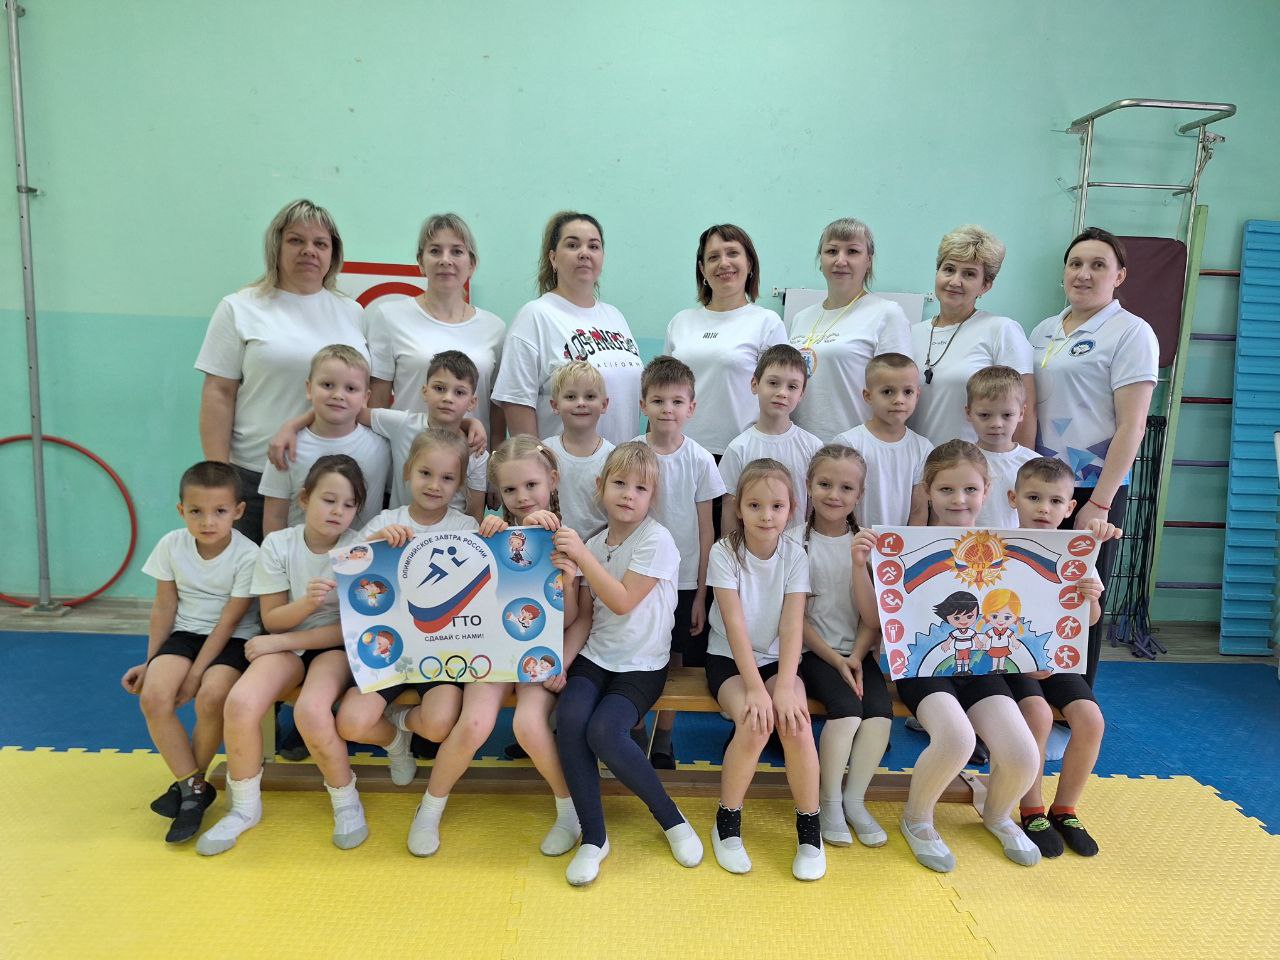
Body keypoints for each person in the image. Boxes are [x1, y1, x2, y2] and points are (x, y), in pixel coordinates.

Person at [404, 437, 580, 858]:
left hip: (540, 653)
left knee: (529, 725)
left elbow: (572, 619)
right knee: (474, 724)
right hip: (494, 649)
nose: (522, 497)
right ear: (498, 493)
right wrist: (486, 543)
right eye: (510, 489)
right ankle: (429, 808)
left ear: (552, 481)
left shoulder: (567, 538)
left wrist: (568, 582)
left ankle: (568, 811)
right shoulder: (485, 532)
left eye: (532, 485)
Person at [197, 455, 367, 856]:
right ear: (304, 499)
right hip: (287, 637)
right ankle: (244, 808)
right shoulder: (278, 544)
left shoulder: (359, 550)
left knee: (311, 711)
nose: (337, 511)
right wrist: (306, 604)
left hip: (334, 647)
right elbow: (272, 619)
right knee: (240, 703)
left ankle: (346, 799)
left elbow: (354, 630)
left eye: (348, 505)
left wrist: (278, 642)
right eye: (329, 500)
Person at [551, 442, 704, 885]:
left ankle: (672, 819)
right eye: (619, 483)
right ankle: (593, 837)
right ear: (601, 486)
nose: (628, 494)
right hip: (595, 657)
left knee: (604, 730)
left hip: (642, 665)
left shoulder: (657, 540)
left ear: (652, 497)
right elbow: (584, 618)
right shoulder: (593, 543)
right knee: (569, 719)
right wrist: (562, 662)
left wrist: (582, 558)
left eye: (641, 488)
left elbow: (621, 601)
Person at [889, 440, 1042, 871]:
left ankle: (997, 814)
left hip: (982, 666)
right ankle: (917, 819)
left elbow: (1036, 608)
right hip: (923, 669)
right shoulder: (905, 547)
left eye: (970, 489)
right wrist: (865, 562)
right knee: (958, 739)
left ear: (987, 490)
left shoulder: (1010, 549)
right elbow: (881, 617)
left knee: (1023, 753)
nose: (959, 500)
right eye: (946, 490)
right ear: (927, 491)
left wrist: (1084, 588)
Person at [1029, 227, 1158, 686]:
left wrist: (1100, 502)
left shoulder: (1131, 333)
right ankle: (1031, 692)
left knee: (1081, 595)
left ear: (1119, 275)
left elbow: (1132, 425)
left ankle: (1075, 698)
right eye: (1076, 264)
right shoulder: (1043, 329)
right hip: (1041, 488)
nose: (1083, 274)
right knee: (1036, 589)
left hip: (1093, 487)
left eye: (1097, 265)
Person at [196, 199, 367, 543]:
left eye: (320, 243)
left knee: (326, 578)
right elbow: (219, 393)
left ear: (333, 253)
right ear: (276, 245)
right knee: (255, 576)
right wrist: (220, 478)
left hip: (337, 482)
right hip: (255, 475)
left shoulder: (353, 312)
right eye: (296, 240)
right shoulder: (240, 307)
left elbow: (359, 394)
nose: (308, 251)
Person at [121, 461, 260, 844]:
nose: (207, 521)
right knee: (153, 697)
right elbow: (164, 607)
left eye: (219, 511)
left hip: (232, 638)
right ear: (181, 510)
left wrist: (196, 675)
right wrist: (151, 663)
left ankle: (188, 791)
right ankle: (193, 786)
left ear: (238, 511)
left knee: (212, 696)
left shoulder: (248, 555)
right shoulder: (171, 544)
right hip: (186, 634)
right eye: (196, 511)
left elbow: (229, 621)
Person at [704, 459, 825, 881]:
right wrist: (756, 690)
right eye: (755, 505)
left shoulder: (795, 555)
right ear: (739, 508)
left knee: (796, 723)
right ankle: (727, 820)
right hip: (729, 658)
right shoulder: (724, 553)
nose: (766, 515)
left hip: (778, 659)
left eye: (777, 506)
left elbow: (792, 625)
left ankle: (810, 828)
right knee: (755, 723)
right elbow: (734, 624)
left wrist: (786, 686)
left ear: (792, 509)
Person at [1006, 456, 1120, 857]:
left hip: (1058, 661)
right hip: (1012, 661)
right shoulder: (1000, 549)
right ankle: (1031, 807)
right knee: (1037, 716)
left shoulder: (1077, 553)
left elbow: (1090, 620)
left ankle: (1066, 808)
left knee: (1091, 719)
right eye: (1034, 498)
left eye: (1055, 501)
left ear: (1070, 507)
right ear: (1013, 498)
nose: (1044, 508)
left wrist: (1092, 599)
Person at [795, 445, 893, 847]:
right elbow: (794, 620)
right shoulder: (793, 542)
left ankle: (854, 800)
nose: (834, 495)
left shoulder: (868, 545)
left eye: (846, 488)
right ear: (808, 485)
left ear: (860, 494)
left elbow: (873, 617)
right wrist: (836, 660)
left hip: (856, 651)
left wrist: (854, 655)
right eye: (825, 484)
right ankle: (829, 800)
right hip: (812, 653)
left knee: (879, 716)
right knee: (848, 712)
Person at [271, 350, 488, 521]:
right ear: (425, 392)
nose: (448, 398)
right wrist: (292, 425)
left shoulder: (476, 449)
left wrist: (471, 423)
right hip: (398, 533)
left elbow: (475, 513)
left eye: (459, 392)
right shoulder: (402, 424)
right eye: (439, 388)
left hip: (450, 539)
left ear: (472, 402)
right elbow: (350, 409)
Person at [634, 357, 725, 765]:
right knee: (637, 652)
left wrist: (702, 594)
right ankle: (636, 729)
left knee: (674, 659)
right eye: (658, 401)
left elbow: (708, 531)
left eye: (676, 401)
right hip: (637, 576)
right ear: (643, 405)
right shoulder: (630, 453)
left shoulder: (701, 460)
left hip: (684, 580)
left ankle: (664, 736)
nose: (667, 409)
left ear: (692, 407)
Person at [492, 211, 642, 445]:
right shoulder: (535, 316)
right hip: (560, 465)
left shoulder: (615, 316)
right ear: (553, 258)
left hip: (622, 466)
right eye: (572, 245)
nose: (584, 253)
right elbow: (516, 401)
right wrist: (535, 462)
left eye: (593, 246)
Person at [363, 213, 506, 442]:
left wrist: (496, 457)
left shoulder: (495, 328)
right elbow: (376, 405)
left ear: (472, 264)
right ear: (421, 262)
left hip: (472, 458)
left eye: (456, 251)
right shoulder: (389, 317)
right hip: (409, 456)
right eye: (435, 251)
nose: (445, 260)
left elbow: (496, 412)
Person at [664, 223, 788, 456]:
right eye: (713, 257)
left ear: (749, 263)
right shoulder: (680, 322)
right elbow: (661, 390)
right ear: (702, 269)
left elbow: (781, 398)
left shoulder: (767, 323)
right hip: (678, 450)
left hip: (741, 453)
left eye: (732, 253)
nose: (723, 263)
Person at [909, 226, 1036, 447]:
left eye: (969, 274)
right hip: (914, 462)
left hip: (971, 465)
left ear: (985, 285)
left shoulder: (1001, 330)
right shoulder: (911, 333)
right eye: (949, 269)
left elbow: (1025, 412)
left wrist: (1020, 467)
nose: (954, 281)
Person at [788, 218, 912, 442]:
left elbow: (898, 396)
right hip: (799, 444)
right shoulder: (801, 318)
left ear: (868, 260)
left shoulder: (887, 314)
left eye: (852, 251)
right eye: (832, 251)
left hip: (852, 449)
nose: (840, 260)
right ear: (820, 259)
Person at [258, 345, 390, 535]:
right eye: (328, 385)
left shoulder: (381, 446)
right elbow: (275, 516)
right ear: (309, 388)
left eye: (351, 388)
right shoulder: (286, 447)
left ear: (365, 397)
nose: (338, 395)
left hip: (362, 552)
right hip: (299, 552)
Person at [719, 344, 822, 534]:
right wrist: (731, 549)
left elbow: (815, 507)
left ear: (801, 394)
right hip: (749, 550)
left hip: (798, 548)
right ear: (755, 384)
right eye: (773, 383)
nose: (782, 393)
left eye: (792, 387)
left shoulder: (813, 447)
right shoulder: (738, 448)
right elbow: (729, 508)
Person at [833, 353, 932, 527]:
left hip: (902, 543)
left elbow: (918, 510)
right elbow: (837, 503)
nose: (899, 400)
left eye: (907, 392)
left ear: (917, 395)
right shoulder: (848, 443)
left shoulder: (923, 448)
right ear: (868, 396)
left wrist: (909, 543)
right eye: (887, 392)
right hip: (854, 540)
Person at [359, 428, 480, 539]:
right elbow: (351, 553)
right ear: (407, 472)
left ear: (459, 484)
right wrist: (374, 543)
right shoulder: (384, 523)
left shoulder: (466, 528)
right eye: (426, 473)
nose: (434, 486)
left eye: (447, 478)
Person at [541, 361, 613, 540]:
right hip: (551, 546)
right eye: (571, 397)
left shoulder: (613, 457)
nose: (581, 403)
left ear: (604, 404)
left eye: (590, 396)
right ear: (555, 405)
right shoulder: (543, 453)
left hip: (597, 551)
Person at [965, 366, 1039, 529]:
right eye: (985, 415)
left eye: (1006, 415)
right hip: (968, 543)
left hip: (1018, 544)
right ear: (969, 413)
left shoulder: (1035, 464)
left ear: (1021, 413)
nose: (996, 424)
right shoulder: (960, 461)